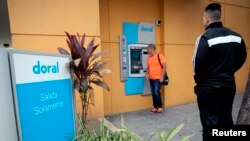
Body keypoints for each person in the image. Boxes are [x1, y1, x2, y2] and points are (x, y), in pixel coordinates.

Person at [192, 3, 247, 140]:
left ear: (206, 18)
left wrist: (200, 83)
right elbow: (242, 57)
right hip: (229, 84)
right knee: (226, 119)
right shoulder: (237, 37)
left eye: (202, 18)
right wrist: (229, 71)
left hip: (209, 87)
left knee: (210, 123)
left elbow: (197, 63)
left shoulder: (204, 37)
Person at [146, 44, 166, 113]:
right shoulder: (148, 58)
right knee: (153, 93)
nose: (147, 51)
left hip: (158, 78)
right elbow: (148, 68)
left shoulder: (159, 56)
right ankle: (155, 107)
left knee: (156, 92)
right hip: (151, 78)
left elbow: (164, 66)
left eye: (148, 49)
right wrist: (147, 74)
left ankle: (160, 107)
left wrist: (162, 77)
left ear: (152, 49)